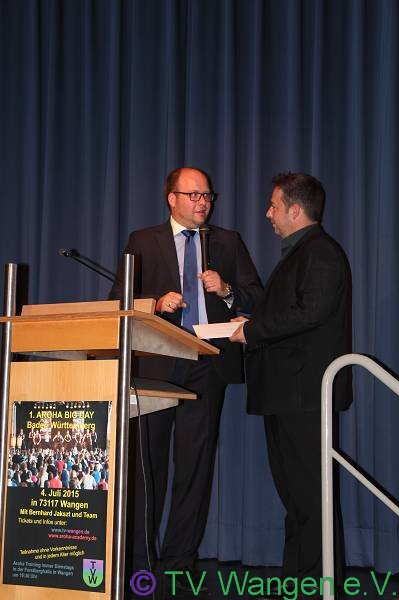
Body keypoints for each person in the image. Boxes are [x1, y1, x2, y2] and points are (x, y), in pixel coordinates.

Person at [110, 166, 261, 588]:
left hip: (207, 364)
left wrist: (226, 290)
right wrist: (155, 304)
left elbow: (256, 295)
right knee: (148, 467)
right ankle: (140, 561)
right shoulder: (143, 241)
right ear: (171, 199)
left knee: (195, 468)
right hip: (156, 364)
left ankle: (179, 565)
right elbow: (117, 298)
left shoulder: (228, 241)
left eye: (207, 195)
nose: (202, 202)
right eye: (193, 195)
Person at [230, 172, 352, 594]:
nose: (268, 213)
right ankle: (300, 578)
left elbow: (310, 312)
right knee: (297, 497)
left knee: (310, 497)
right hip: (290, 392)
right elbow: (294, 313)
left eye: (273, 205)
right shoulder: (305, 252)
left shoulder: (319, 252)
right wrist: (253, 322)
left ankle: (318, 581)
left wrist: (253, 331)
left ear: (295, 210)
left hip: (305, 394)